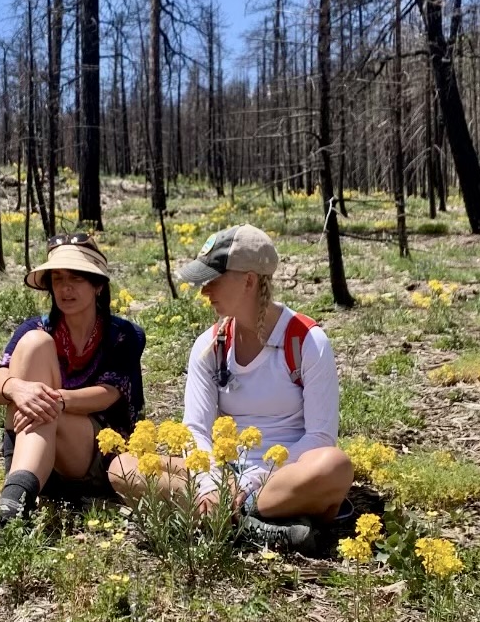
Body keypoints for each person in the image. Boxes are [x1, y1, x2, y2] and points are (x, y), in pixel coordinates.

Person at [108, 224, 354, 556]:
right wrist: (211, 483)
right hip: (221, 472)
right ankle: (253, 529)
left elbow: (321, 437)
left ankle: (225, 516)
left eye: (213, 281)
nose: (204, 291)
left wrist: (252, 482)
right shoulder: (209, 346)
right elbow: (195, 428)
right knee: (122, 467)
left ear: (249, 280)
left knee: (334, 466)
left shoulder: (307, 341)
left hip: (284, 476)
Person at [0, 233, 145, 565]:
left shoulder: (124, 335)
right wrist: (16, 389)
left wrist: (55, 400)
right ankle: (14, 508)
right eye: (58, 279)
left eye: (76, 278)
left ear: (98, 286)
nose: (65, 288)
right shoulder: (37, 327)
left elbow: (107, 394)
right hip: (43, 448)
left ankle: (13, 502)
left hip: (97, 456)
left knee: (48, 410)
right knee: (33, 345)